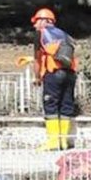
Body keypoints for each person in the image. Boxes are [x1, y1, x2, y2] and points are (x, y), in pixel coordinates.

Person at [32, 8, 78, 151]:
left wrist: (37, 77)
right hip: (70, 74)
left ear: (44, 21)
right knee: (66, 105)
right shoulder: (65, 35)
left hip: (53, 73)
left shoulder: (41, 34)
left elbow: (37, 59)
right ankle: (64, 142)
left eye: (36, 21)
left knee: (50, 105)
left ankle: (53, 142)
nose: (34, 25)